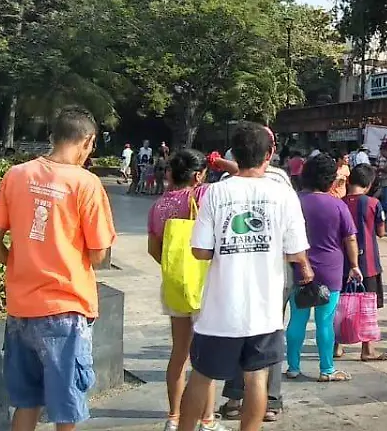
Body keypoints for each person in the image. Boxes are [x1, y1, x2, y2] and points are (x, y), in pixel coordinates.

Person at [176, 121, 311, 431]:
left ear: (233, 153)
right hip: (264, 311)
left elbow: (200, 251)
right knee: (257, 379)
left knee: (201, 376)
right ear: (271, 153)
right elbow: (297, 253)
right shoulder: (284, 195)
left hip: (220, 310)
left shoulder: (215, 193)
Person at [0, 107, 116, 431]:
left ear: (53, 136)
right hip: (65, 310)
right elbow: (100, 254)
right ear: (87, 141)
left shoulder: (16, 175)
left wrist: (16, 262)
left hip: (21, 310)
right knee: (66, 411)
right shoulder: (86, 183)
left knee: (26, 404)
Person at [147, 149, 225, 431]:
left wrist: (176, 267)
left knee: (179, 351)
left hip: (174, 284)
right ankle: (206, 419)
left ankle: (173, 416)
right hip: (204, 285)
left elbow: (154, 249)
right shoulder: (202, 195)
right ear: (197, 175)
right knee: (205, 355)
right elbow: (245, 174)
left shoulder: (158, 206)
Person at [286, 154, 362, 382]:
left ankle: (293, 366)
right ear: (330, 181)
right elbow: (349, 238)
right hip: (330, 269)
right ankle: (326, 369)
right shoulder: (337, 205)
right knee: (325, 321)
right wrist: (355, 265)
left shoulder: (293, 202)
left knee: (297, 319)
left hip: (298, 266)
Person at [340, 164, 387, 361]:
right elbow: (381, 232)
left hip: (343, 262)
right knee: (367, 305)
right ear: (369, 184)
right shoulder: (372, 204)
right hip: (368, 263)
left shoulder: (340, 203)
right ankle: (367, 349)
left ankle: (336, 346)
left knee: (341, 305)